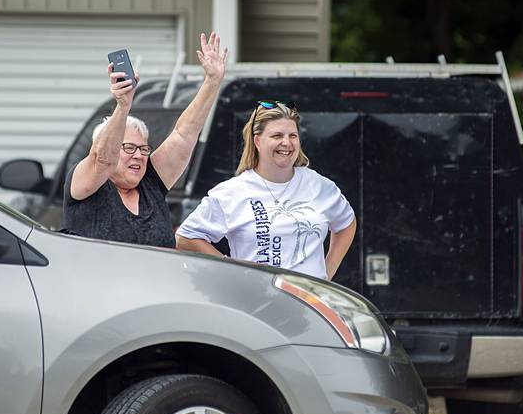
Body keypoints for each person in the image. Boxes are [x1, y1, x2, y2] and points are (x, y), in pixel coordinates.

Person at [63, 33, 228, 248]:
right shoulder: (89, 185)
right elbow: (103, 160)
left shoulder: (151, 183)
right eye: (129, 148)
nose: (139, 155)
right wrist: (123, 106)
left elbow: (184, 134)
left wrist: (212, 81)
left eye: (143, 149)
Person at [175, 101, 357, 281]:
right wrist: (230, 268)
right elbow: (186, 238)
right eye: (277, 135)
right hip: (256, 302)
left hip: (310, 303)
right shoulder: (232, 192)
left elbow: (346, 222)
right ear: (257, 141)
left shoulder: (318, 185)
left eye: (293, 135)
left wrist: (327, 271)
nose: (286, 143)